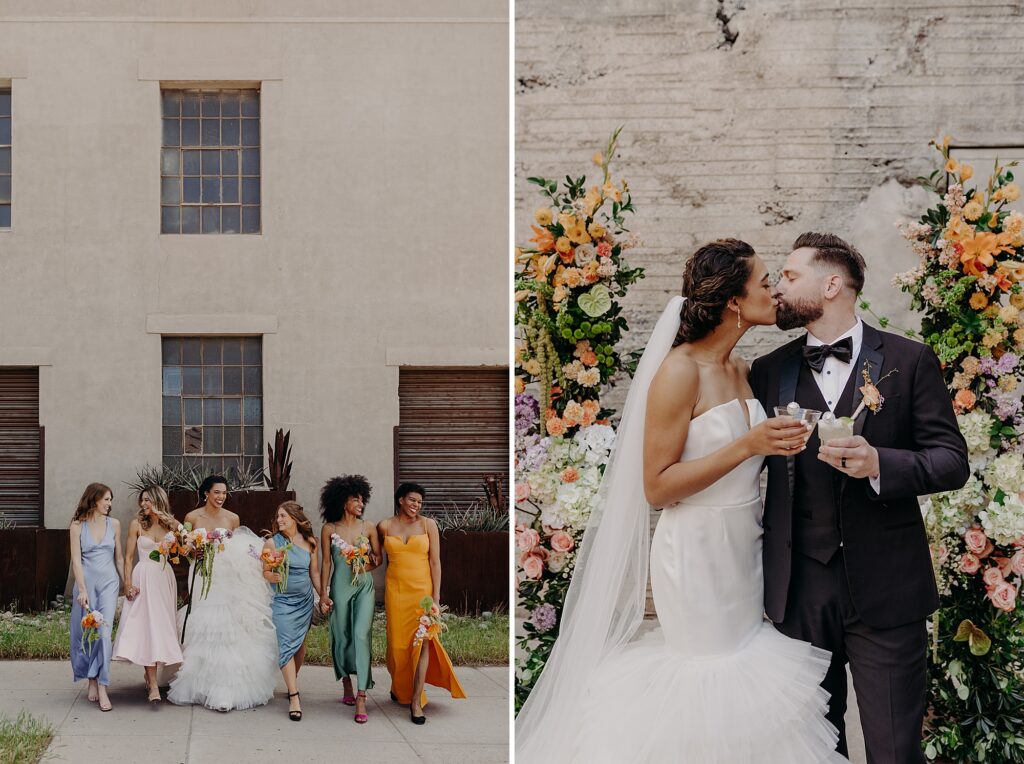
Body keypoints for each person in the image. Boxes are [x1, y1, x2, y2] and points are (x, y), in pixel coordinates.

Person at [516, 239, 845, 763]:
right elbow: (657, 486)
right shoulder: (679, 371)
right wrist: (747, 444)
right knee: (709, 673)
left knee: (743, 678)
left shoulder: (742, 370)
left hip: (746, 547)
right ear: (735, 302)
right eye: (764, 282)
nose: (775, 291)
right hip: (694, 552)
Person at [749, 232, 970, 762]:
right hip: (797, 593)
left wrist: (881, 464)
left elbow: (951, 460)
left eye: (790, 276)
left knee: (895, 750)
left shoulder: (909, 360)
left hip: (888, 591)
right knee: (813, 750)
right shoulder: (766, 371)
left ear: (832, 285)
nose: (778, 287)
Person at [167, 475, 279, 711]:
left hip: (226, 578)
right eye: (216, 492)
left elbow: (239, 549)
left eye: (224, 493)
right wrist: (191, 554)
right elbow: (185, 548)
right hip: (201, 574)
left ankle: (225, 689)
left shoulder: (233, 518)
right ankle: (199, 685)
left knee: (226, 626)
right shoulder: (192, 517)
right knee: (203, 623)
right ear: (206, 493)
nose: (221, 497)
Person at [379, 483, 466, 725]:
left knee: (422, 645)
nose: (417, 505)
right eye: (412, 500)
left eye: (419, 501)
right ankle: (400, 686)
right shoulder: (384, 526)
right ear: (400, 500)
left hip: (422, 595)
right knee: (397, 646)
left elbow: (435, 562)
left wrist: (436, 597)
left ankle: (416, 701)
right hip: (396, 593)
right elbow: (376, 558)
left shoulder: (428, 525)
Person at [112, 485, 183, 702]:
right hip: (143, 578)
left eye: (148, 500)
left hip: (163, 579)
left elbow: (185, 542)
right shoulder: (136, 525)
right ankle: (152, 684)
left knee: (160, 627)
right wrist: (127, 584)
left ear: (158, 501)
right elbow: (129, 556)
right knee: (146, 627)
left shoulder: (170, 525)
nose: (144, 504)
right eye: (142, 500)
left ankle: (151, 674)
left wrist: (171, 523)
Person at [319, 475, 380, 724]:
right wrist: (323, 593)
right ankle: (345, 681)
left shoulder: (369, 527)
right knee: (341, 635)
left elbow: (379, 558)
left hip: (364, 586)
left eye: (362, 499)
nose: (361, 503)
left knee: (361, 634)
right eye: (356, 499)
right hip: (340, 588)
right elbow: (325, 562)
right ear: (343, 501)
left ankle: (362, 695)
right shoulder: (329, 529)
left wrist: (366, 562)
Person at [264, 501, 321, 722]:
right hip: (282, 601)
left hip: (304, 601)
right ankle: (294, 696)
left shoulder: (310, 543)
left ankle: (291, 683)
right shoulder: (272, 543)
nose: (279, 520)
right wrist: (272, 576)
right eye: (277, 516)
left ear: (295, 518)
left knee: (299, 647)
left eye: (283, 516)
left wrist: (322, 596)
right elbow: (265, 571)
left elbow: (314, 573)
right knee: (286, 644)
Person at [69, 482, 124, 712]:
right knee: (85, 632)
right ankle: (90, 678)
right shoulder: (77, 526)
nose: (110, 504)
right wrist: (82, 589)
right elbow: (76, 561)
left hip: (110, 583)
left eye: (111, 500)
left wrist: (127, 584)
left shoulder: (115, 524)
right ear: (94, 500)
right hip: (86, 583)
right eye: (106, 500)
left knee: (103, 633)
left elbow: (119, 558)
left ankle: (102, 684)